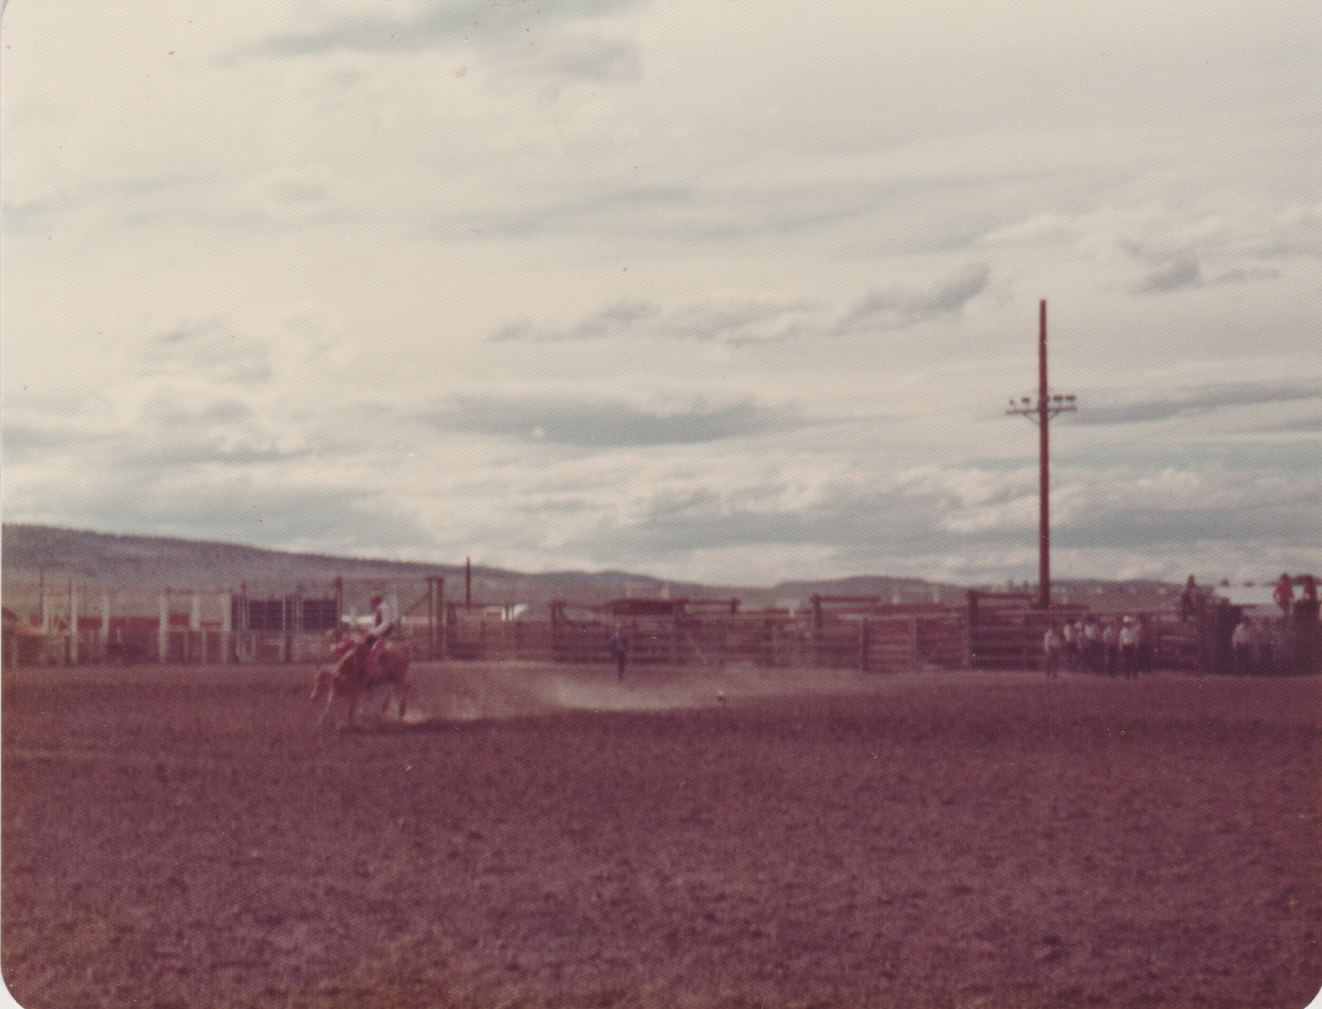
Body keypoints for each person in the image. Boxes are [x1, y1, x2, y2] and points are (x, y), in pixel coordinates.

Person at [364, 593, 395, 690]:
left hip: (382, 637)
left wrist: (373, 633)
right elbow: (375, 625)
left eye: (371, 603)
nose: (370, 605)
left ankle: (371, 680)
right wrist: (369, 632)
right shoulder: (379, 609)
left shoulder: (384, 608)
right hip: (377, 635)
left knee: (373, 655)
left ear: (376, 601)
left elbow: (386, 624)